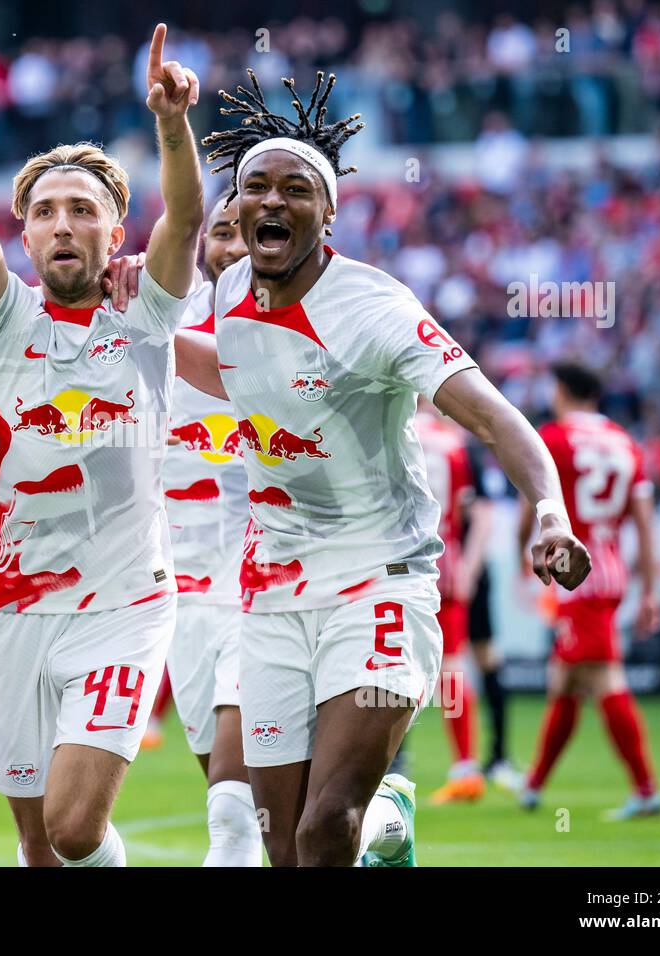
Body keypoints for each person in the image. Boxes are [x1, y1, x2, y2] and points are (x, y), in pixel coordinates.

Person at [175, 69, 591, 866]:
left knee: (324, 825)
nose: (270, 202)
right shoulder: (230, 289)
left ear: (328, 212)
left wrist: (549, 513)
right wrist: (132, 324)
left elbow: (497, 417)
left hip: (379, 580)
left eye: (295, 189)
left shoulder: (376, 311)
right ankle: (383, 828)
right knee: (283, 846)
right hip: (273, 592)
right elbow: (227, 369)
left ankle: (374, 814)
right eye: (254, 186)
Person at [0, 22, 203, 867]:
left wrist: (172, 124)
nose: (63, 225)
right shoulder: (3, 322)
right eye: (44, 213)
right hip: (13, 607)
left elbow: (185, 216)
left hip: (122, 606)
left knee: (75, 829)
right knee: (38, 846)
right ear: (25, 237)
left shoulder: (144, 317)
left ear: (115, 233)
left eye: (83, 211)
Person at [517, 361, 660, 820]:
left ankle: (646, 788)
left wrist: (522, 546)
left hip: (573, 572)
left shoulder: (555, 438)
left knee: (603, 678)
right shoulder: (626, 443)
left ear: (562, 390)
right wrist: (649, 589)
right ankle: (534, 784)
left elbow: (534, 497)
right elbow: (643, 522)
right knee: (565, 681)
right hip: (610, 571)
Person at [162, 193, 262, 865]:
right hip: (181, 601)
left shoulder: (310, 327)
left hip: (272, 594)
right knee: (273, 818)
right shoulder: (161, 319)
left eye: (246, 233)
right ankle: (378, 822)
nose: (231, 247)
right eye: (219, 232)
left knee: (230, 816)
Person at [416, 399, 493, 802]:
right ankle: (466, 765)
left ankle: (385, 765)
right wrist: (468, 567)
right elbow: (473, 510)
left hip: (400, 565)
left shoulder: (398, 432)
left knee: (383, 666)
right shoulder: (456, 443)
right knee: (454, 669)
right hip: (447, 564)